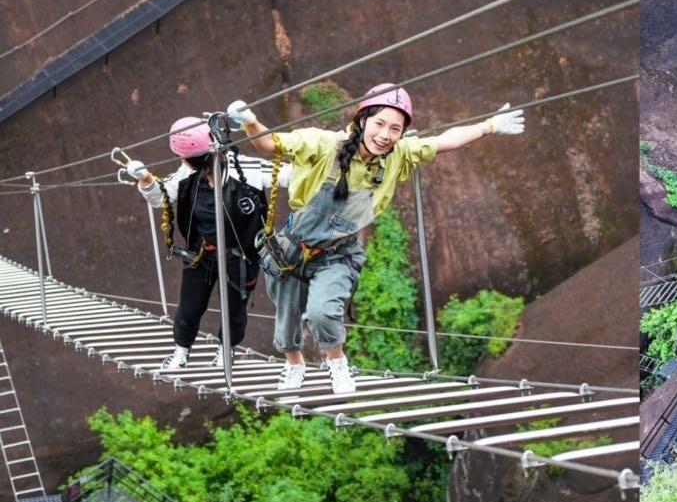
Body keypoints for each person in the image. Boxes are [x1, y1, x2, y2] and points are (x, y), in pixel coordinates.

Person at [225, 84, 525, 396]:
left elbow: (444, 141)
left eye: (395, 129)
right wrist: (250, 120)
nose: (385, 134)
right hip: (290, 247)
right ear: (362, 120)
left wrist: (489, 126)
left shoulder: (398, 156)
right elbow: (269, 144)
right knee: (286, 315)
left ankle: (337, 362)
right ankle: (294, 363)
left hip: (337, 252)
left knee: (322, 311)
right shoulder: (324, 144)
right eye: (379, 124)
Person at [126, 117, 288, 374]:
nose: (183, 162)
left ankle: (226, 352)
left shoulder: (247, 170)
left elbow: (289, 175)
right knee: (190, 306)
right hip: (202, 254)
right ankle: (181, 351)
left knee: (234, 309)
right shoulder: (186, 175)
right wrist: (145, 179)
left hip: (241, 258)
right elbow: (161, 198)